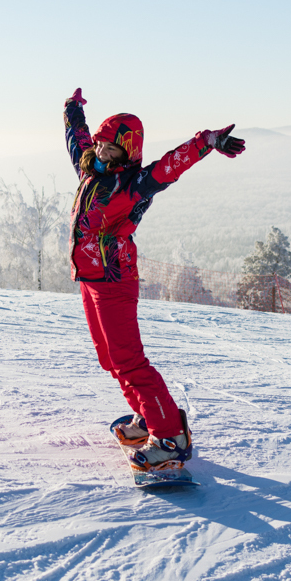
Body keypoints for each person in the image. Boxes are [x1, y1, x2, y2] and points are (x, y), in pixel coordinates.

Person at [63, 88, 245, 471]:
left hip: (114, 280)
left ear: (128, 151)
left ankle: (171, 437)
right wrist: (73, 108)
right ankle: (147, 414)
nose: (102, 153)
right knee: (110, 359)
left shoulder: (135, 183)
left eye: (112, 149)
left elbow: (171, 165)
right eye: (101, 145)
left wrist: (207, 142)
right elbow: (76, 136)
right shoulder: (88, 166)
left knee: (128, 360)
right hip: (90, 278)